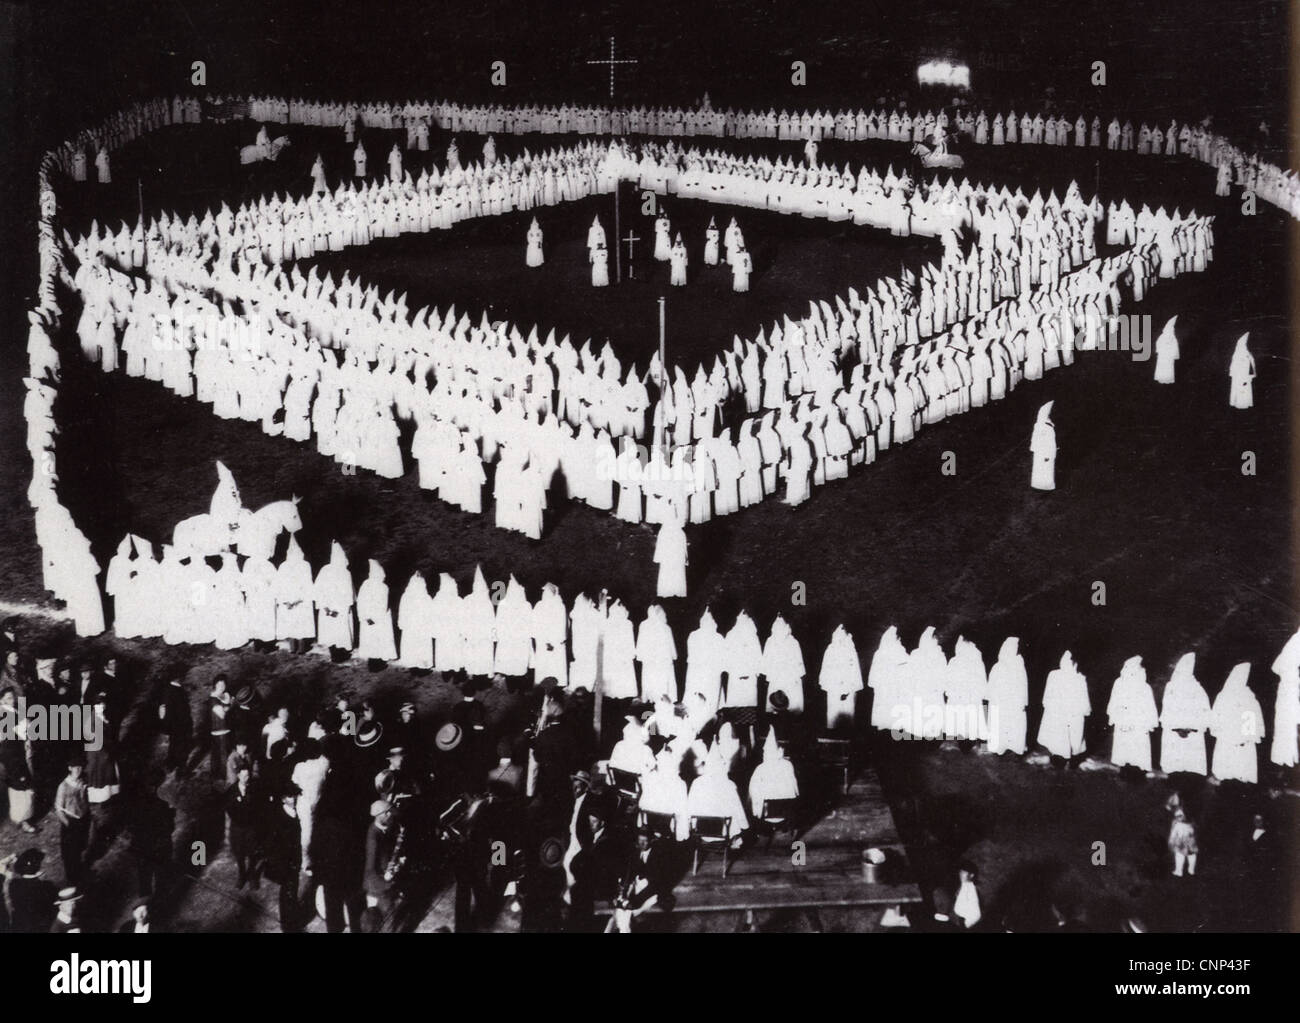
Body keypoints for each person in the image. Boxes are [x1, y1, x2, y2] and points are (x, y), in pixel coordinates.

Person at [1210, 663, 1264, 783]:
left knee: (1242, 767)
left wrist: (1246, 737)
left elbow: (1251, 717)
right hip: (1226, 738)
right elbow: (1216, 717)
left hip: (1242, 739)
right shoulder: (1224, 695)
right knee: (1225, 766)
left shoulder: (1248, 697)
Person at [1160, 653, 1210, 776]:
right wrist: (1176, 727)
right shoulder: (1171, 686)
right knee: (1174, 761)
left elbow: (1204, 711)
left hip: (1191, 731)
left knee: (1190, 762)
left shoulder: (1197, 689)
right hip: (1174, 730)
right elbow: (1168, 708)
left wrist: (1191, 728)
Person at [1107, 656, 1158, 771]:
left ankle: (1136, 771)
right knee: (1124, 747)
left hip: (1138, 723)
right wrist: (1116, 716)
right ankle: (1125, 769)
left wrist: (1148, 721)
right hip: (1123, 721)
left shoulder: (1145, 687)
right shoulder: (1119, 683)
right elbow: (1114, 701)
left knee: (1137, 748)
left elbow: (1149, 706)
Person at [1037, 652, 1089, 760]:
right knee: (1058, 737)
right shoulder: (1054, 675)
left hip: (1072, 713)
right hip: (1057, 712)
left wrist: (1084, 709)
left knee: (1072, 736)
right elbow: (1048, 692)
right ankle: (1058, 758)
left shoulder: (1079, 678)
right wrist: (1048, 704)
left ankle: (1071, 757)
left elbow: (1083, 696)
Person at [986, 637, 1028, 754]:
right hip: (1001, 702)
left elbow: (1022, 685)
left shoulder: (1018, 665)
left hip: (1011, 703)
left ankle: (1010, 746)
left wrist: (1022, 702)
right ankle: (1000, 747)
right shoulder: (999, 666)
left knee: (1009, 723)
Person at [747, 728, 798, 818]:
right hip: (785, 811)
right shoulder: (788, 765)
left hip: (766, 812)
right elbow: (794, 787)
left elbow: (752, 790)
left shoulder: (761, 768)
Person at [226, 764, 262, 888]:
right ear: (238, 776)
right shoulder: (231, 791)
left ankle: (252, 875)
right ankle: (242, 875)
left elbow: (258, 807)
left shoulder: (254, 789)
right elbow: (230, 809)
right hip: (238, 828)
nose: (246, 778)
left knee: (252, 853)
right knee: (239, 854)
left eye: (247, 775)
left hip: (251, 828)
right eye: (243, 776)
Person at [54, 759, 91, 884]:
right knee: (70, 853)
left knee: (81, 846)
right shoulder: (63, 786)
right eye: (75, 767)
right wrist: (68, 824)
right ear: (69, 768)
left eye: (80, 767)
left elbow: (85, 799)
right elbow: (59, 810)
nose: (79, 770)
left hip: (83, 818)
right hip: (71, 822)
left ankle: (80, 870)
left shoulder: (82, 780)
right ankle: (73, 878)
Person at [1030, 400, 1056, 490]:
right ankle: (1044, 485)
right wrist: (1050, 454)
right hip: (1045, 452)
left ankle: (1039, 484)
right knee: (1045, 469)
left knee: (1040, 468)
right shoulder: (1046, 428)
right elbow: (1049, 443)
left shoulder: (1039, 425)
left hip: (1040, 451)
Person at [1168, 808, 1198, 877]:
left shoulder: (1177, 825)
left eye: (1180, 816)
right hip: (1189, 842)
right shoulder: (1190, 824)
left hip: (1183, 842)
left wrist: (1171, 840)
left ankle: (1181, 871)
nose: (1179, 818)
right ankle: (1189, 870)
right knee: (1190, 855)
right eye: (1178, 817)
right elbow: (1193, 832)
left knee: (1181, 856)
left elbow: (1173, 834)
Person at [1228, 333, 1255, 409]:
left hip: (1245, 374)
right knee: (1239, 388)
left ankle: (1245, 403)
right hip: (1239, 374)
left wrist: (1252, 371)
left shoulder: (1247, 353)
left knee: (1245, 388)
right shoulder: (1238, 353)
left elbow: (1252, 362)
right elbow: (1234, 363)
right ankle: (1238, 403)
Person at [1152, 315, 1179, 384]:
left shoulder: (1172, 338)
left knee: (1168, 367)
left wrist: (1173, 353)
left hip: (1168, 355)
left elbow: (1175, 346)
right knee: (1163, 367)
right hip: (1164, 355)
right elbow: (1158, 343)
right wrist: (1160, 351)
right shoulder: (1163, 337)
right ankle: (1162, 378)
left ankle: (1167, 379)